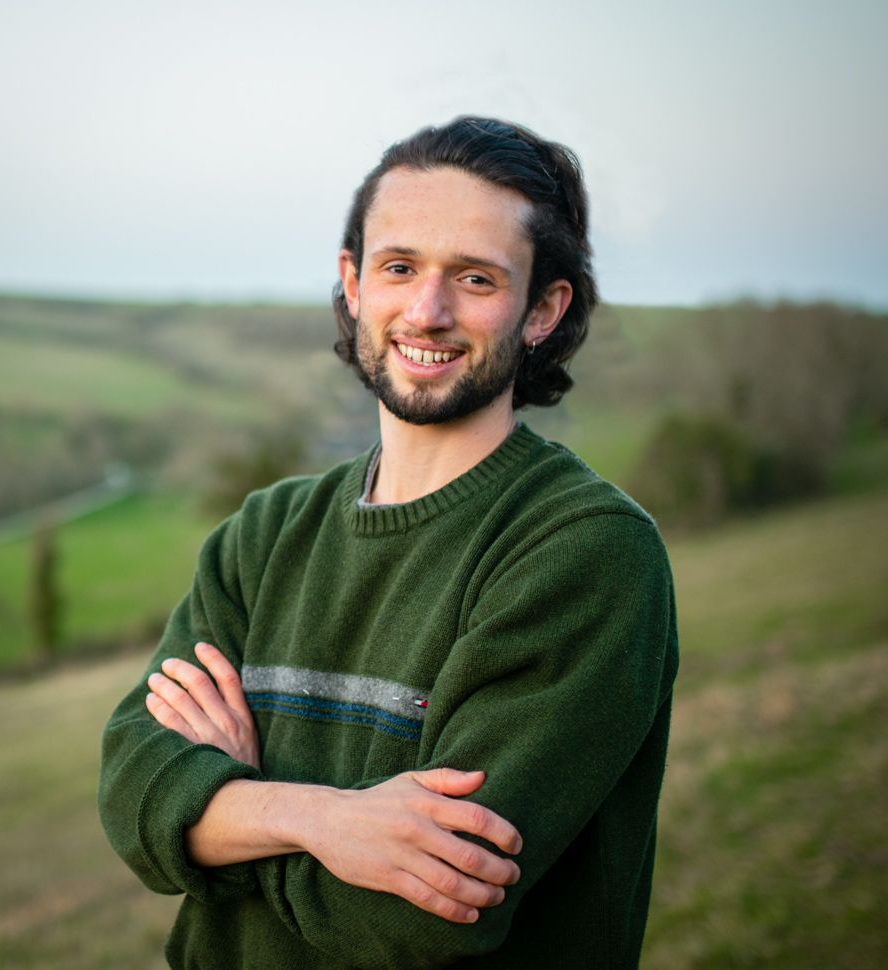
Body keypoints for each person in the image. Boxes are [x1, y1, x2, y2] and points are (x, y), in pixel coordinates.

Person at [99, 116, 678, 969]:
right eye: (399, 268)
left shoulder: (584, 551)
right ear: (353, 283)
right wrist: (319, 819)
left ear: (543, 310)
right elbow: (131, 793)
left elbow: (425, 910)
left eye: (475, 279)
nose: (427, 312)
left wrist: (221, 813)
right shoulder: (262, 536)